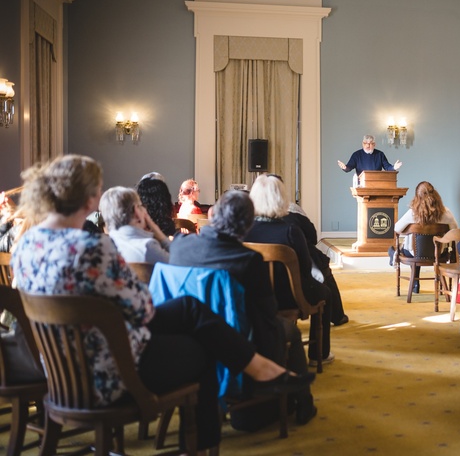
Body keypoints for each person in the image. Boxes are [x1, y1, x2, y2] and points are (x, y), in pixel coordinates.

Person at [9, 154, 314, 452]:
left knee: (189, 309)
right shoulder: (94, 247)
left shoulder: (26, 244)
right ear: (90, 199)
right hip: (109, 370)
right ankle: (203, 438)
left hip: (57, 367)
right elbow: (143, 309)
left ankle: (258, 369)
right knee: (203, 343)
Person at [169, 189, 318, 428]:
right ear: (248, 224)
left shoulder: (179, 246)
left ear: (213, 213)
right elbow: (268, 314)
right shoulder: (248, 260)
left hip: (186, 337)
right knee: (289, 331)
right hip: (237, 335)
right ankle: (303, 402)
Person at [245, 174, 334, 367]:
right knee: (325, 293)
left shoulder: (243, 230)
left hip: (252, 296)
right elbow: (304, 268)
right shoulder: (290, 231)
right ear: (281, 198)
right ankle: (319, 354)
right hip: (290, 297)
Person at [283, 200, 349, 326]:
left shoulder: (252, 221)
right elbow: (313, 238)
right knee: (324, 278)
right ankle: (337, 316)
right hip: (300, 285)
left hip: (263, 291)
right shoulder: (292, 212)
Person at [388, 181, 458, 292]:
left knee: (404, 249)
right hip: (438, 254)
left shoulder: (412, 213)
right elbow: (455, 231)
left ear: (417, 196)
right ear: (435, 194)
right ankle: (423, 282)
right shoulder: (446, 213)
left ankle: (415, 282)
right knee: (421, 247)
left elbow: (396, 229)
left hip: (415, 254)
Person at [99, 186, 171, 264]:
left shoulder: (103, 247)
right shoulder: (147, 247)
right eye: (141, 205)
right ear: (136, 211)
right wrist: (162, 237)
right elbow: (181, 263)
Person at [337, 134, 402, 176]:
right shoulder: (356, 155)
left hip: (377, 184)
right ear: (362, 144)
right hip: (361, 186)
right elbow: (349, 167)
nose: (368, 145)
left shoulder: (380, 154)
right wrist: (345, 167)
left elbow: (387, 167)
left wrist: (394, 167)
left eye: (370, 143)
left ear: (374, 144)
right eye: (365, 143)